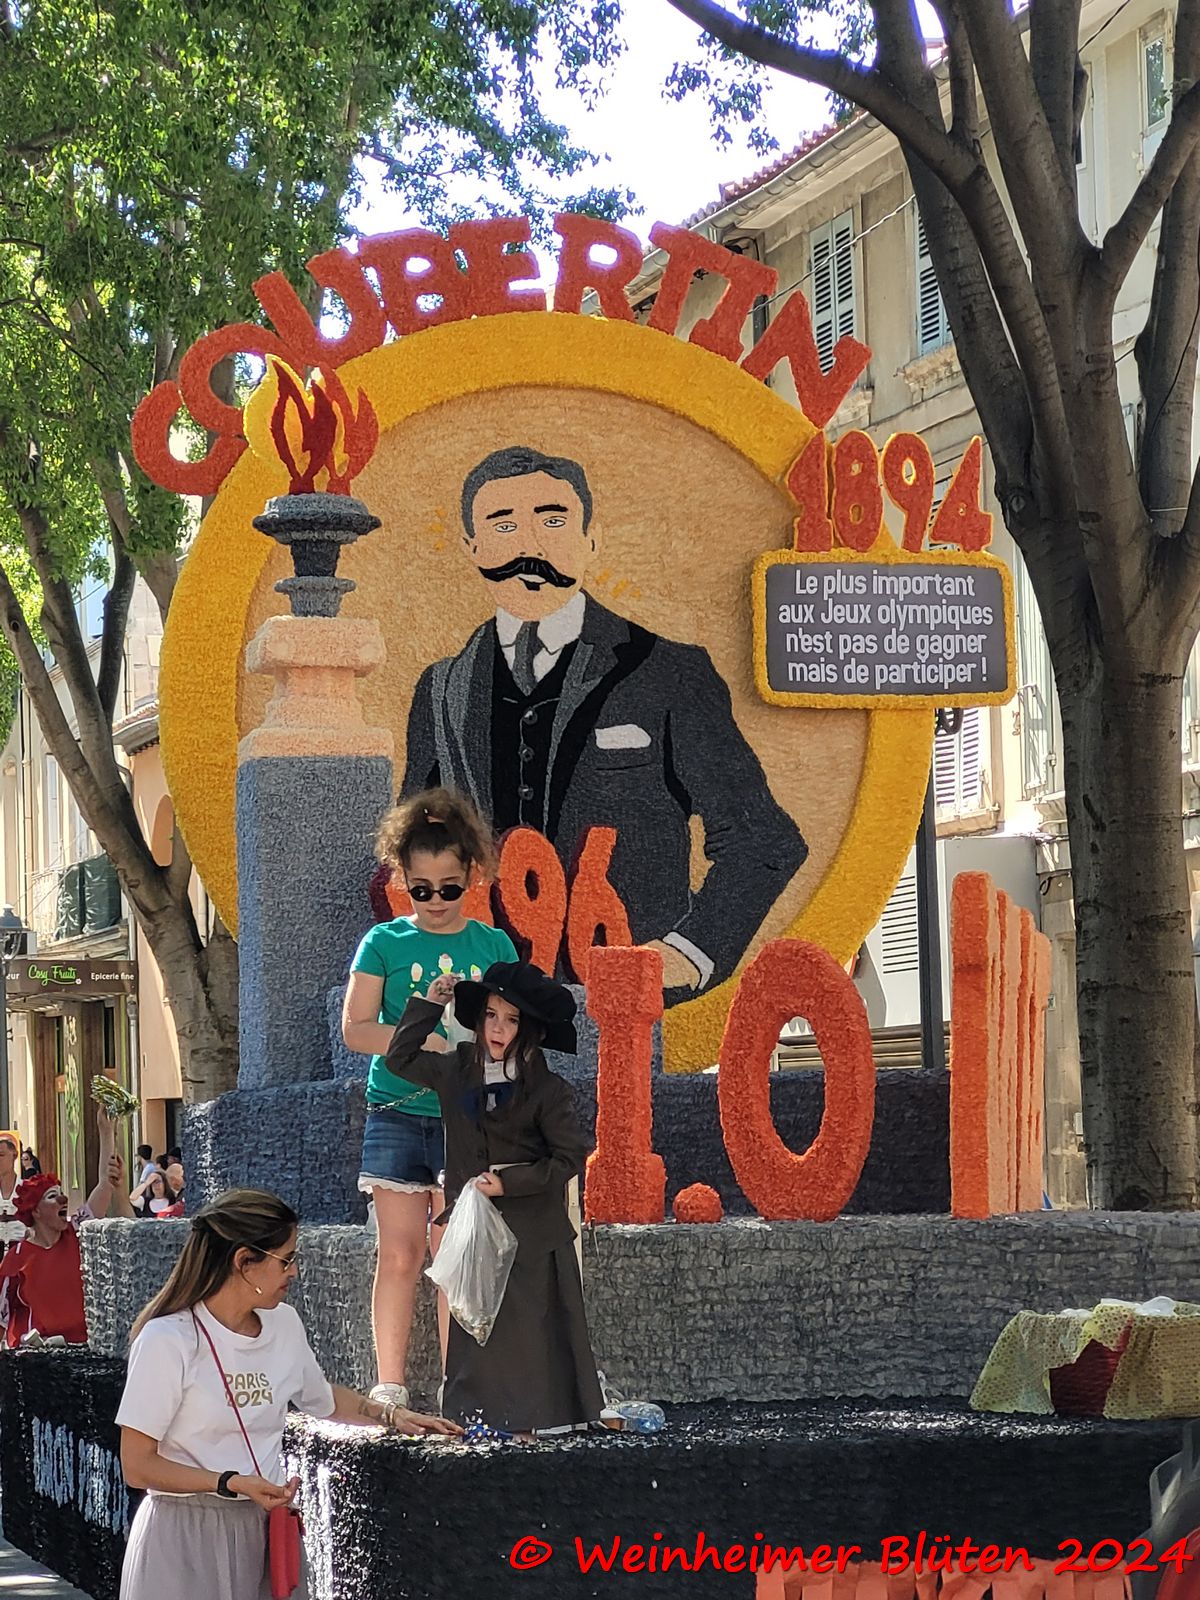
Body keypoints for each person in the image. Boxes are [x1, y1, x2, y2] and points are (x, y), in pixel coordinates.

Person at [404, 445, 807, 999]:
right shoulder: (441, 688)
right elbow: (414, 844)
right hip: (483, 1006)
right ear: (472, 546)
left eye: (552, 520)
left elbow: (764, 839)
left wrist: (685, 954)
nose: (529, 545)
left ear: (590, 540)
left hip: (621, 1007)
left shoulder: (668, 671)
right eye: (503, 524)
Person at [116, 1188, 459, 1600]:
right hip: (182, 1538)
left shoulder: (284, 1325)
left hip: (262, 1531)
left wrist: (389, 1415)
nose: (294, 1272)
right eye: (286, 1259)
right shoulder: (167, 1339)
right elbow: (137, 1465)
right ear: (244, 1261)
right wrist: (230, 1483)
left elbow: (322, 1398)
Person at [342, 787, 518, 1413]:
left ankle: (458, 1387)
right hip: (395, 1113)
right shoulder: (383, 942)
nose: (437, 900)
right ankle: (389, 1385)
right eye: (422, 889)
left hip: (465, 1118)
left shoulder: (495, 947)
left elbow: (514, 1029)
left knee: (454, 1256)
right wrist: (423, 1038)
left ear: (472, 875)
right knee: (399, 1254)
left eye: (450, 887)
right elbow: (355, 1028)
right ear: (402, 881)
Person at [387, 960, 604, 1437]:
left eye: (511, 1019)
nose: (498, 1028)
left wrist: (510, 1182)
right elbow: (398, 1059)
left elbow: (569, 1157)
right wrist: (429, 1004)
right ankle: (473, 1423)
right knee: (474, 1330)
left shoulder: (547, 1090)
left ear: (529, 1030)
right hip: (475, 1228)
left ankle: (530, 1428)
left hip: (531, 1232)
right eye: (490, 1015)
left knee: (527, 1334)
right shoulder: (457, 1069)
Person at [0, 1108, 133, 1346]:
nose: (63, 1200)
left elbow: (105, 1185)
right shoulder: (15, 1260)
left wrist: (106, 1131)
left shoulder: (75, 1232)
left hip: (82, 1351)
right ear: (36, 1211)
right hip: (37, 1358)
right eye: (52, 1197)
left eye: (62, 1194)